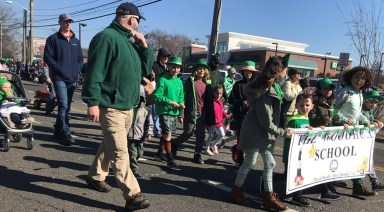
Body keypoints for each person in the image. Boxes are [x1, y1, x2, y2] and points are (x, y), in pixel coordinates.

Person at [81, 2, 153, 211]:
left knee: (109, 143)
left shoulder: (129, 41)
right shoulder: (106, 38)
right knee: (121, 152)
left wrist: (144, 46)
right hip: (110, 106)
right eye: (138, 21)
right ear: (132, 19)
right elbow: (93, 73)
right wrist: (92, 102)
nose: (138, 25)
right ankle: (133, 195)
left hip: (127, 106)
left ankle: (95, 177)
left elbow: (146, 70)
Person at [229, 55, 291, 211]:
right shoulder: (266, 89)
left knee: (270, 163)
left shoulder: (272, 86)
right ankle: (237, 192)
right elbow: (266, 121)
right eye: (286, 70)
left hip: (260, 133)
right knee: (250, 162)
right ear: (280, 71)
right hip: (256, 132)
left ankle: (268, 197)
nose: (287, 73)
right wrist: (283, 132)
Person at [333, 66, 378, 196]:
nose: (359, 80)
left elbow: (357, 114)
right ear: (351, 77)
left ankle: (358, 186)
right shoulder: (345, 92)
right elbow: (334, 110)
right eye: (357, 77)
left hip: (354, 133)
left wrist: (364, 119)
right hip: (342, 132)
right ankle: (327, 184)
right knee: (338, 159)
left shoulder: (359, 94)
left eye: (363, 78)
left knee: (358, 158)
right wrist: (343, 119)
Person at [43, 13, 83, 146]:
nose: (68, 24)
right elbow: (48, 57)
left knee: (66, 106)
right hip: (59, 77)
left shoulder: (75, 41)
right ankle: (66, 132)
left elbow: (80, 59)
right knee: (64, 104)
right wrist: (59, 69)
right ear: (59, 22)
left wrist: (78, 71)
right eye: (65, 21)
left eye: (70, 22)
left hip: (72, 79)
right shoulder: (53, 39)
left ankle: (58, 129)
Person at [170, 59, 214, 165]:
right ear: (195, 71)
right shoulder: (190, 82)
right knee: (188, 133)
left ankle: (197, 154)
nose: (201, 71)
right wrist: (181, 114)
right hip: (191, 112)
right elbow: (182, 98)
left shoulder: (207, 84)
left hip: (202, 114)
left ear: (206, 72)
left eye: (203, 69)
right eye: (199, 69)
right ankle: (174, 144)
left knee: (201, 136)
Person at [308, 78, 343, 201]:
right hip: (318, 136)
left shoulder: (331, 101)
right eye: (326, 88)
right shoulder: (314, 101)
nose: (329, 91)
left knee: (328, 162)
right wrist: (323, 120)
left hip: (330, 136)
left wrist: (342, 121)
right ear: (319, 89)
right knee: (321, 163)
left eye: (331, 88)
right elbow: (310, 119)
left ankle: (328, 185)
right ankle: (324, 191)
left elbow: (335, 117)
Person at [282, 93, 314, 207]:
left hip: (302, 153)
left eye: (307, 105)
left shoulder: (307, 119)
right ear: (296, 106)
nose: (304, 107)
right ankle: (297, 196)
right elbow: (287, 134)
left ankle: (268, 180)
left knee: (289, 175)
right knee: (294, 174)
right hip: (292, 153)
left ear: (312, 106)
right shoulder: (293, 120)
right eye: (301, 105)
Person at [154, 56, 185, 168]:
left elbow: (181, 96)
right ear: (168, 66)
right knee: (168, 134)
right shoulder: (163, 79)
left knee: (166, 133)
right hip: (164, 110)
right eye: (173, 67)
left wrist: (181, 104)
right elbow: (157, 96)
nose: (175, 69)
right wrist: (170, 102)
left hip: (174, 112)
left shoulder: (179, 81)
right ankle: (170, 159)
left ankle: (158, 154)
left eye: (178, 67)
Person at [226, 61, 258, 165]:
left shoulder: (256, 85)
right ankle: (239, 160)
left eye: (250, 71)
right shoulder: (238, 84)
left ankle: (235, 149)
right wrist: (241, 102)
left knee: (249, 139)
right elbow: (231, 100)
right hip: (240, 115)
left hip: (253, 116)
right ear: (243, 72)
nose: (248, 73)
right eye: (246, 71)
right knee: (240, 138)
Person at [128, 84, 153, 179]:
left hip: (140, 136)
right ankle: (134, 170)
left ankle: (128, 164)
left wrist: (149, 132)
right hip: (130, 135)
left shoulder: (146, 110)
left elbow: (149, 123)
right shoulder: (129, 108)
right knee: (133, 154)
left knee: (139, 153)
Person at [361, 90, 384, 191]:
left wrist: (376, 122)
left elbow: (371, 119)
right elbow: (362, 121)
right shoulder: (361, 111)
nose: (374, 104)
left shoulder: (369, 111)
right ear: (365, 100)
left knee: (368, 160)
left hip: (366, 142)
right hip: (359, 140)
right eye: (371, 102)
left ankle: (374, 182)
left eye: (376, 102)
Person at [204, 85, 231, 155]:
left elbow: (221, 111)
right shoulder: (211, 102)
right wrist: (207, 121)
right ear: (213, 93)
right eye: (217, 93)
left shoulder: (221, 102)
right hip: (212, 122)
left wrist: (226, 115)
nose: (218, 95)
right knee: (211, 135)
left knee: (222, 134)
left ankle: (213, 144)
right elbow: (208, 112)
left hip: (219, 121)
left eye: (220, 93)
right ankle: (206, 149)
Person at [150, 48, 171, 137]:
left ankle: (161, 129)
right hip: (156, 90)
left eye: (167, 57)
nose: (166, 58)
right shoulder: (154, 65)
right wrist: (153, 76)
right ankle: (156, 130)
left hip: (165, 92)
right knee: (155, 111)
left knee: (162, 112)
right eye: (164, 56)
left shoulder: (168, 67)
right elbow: (152, 78)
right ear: (160, 57)